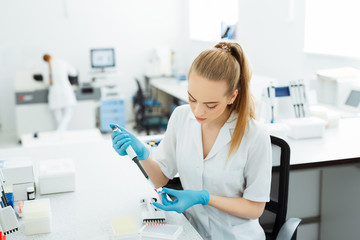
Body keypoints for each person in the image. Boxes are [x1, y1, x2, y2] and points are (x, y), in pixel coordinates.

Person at [111, 42, 272, 240]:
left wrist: (205, 198)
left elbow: (255, 208)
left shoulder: (255, 134)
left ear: (232, 96)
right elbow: (160, 178)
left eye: (210, 105)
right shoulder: (181, 117)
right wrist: (142, 154)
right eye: (192, 99)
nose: (198, 111)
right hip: (191, 232)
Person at [42, 54, 77, 132]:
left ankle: (60, 132)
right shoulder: (61, 62)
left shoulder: (45, 67)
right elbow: (73, 72)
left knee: (58, 116)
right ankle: (61, 131)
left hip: (54, 92)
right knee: (68, 112)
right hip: (65, 91)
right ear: (51, 56)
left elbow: (46, 82)